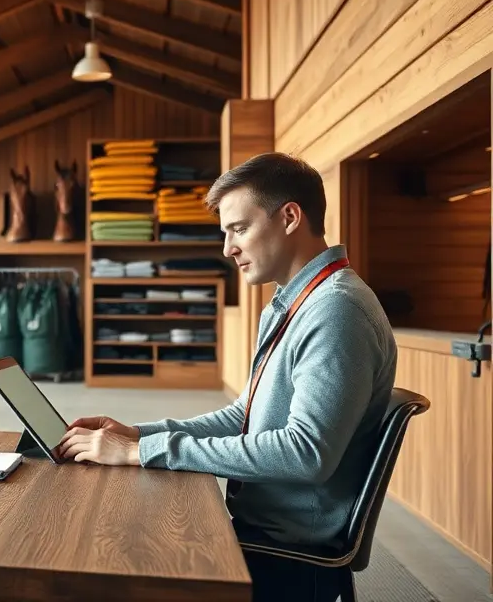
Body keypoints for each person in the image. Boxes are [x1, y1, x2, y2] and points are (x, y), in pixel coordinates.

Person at [59, 152, 397, 602]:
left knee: (100, 561)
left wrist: (144, 452)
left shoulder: (336, 310)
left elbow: (305, 454)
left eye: (239, 228)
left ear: (290, 217)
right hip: (261, 531)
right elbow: (246, 415)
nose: (227, 249)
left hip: (285, 556)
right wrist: (138, 434)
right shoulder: (293, 303)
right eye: (225, 233)